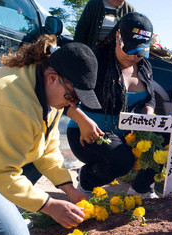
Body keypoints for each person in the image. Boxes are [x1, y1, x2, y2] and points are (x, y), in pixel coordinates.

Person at [0, 38, 100, 235]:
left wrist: (69, 190)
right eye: (73, 96)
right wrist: (49, 205)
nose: (73, 105)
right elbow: (1, 172)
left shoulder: (45, 90)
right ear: (53, 78)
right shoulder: (12, 102)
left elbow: (47, 149)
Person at [67, 13, 160, 197]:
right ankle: (86, 179)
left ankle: (141, 189)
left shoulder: (144, 66)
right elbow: (63, 99)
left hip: (124, 135)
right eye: (129, 49)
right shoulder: (94, 61)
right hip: (88, 133)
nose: (134, 57)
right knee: (122, 160)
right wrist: (82, 120)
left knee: (165, 135)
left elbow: (150, 98)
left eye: (140, 52)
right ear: (118, 37)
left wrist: (149, 114)